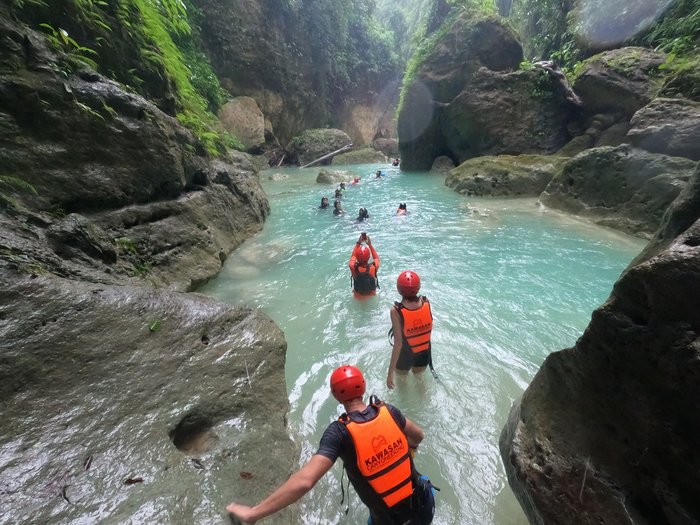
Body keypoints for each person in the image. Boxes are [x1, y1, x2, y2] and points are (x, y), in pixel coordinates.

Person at [226, 365, 436, 525]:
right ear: (363, 387)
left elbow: (304, 481)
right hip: (424, 506)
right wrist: (408, 451)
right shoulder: (389, 411)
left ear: (335, 395)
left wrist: (253, 514)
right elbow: (418, 435)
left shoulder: (339, 432)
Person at [386, 271, 434, 389]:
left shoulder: (396, 311)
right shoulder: (426, 302)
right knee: (420, 382)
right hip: (423, 355)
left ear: (399, 289)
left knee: (402, 385)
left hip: (405, 356)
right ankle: (423, 406)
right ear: (418, 288)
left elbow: (398, 344)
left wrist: (389, 373)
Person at [349, 232, 379, 297]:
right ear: (368, 257)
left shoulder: (353, 267)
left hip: (358, 296)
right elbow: (376, 258)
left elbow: (353, 256)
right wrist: (370, 245)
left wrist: (358, 243)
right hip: (371, 295)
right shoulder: (374, 267)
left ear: (357, 257)